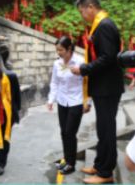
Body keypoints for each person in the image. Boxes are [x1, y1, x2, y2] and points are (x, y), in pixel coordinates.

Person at [71, 0, 124, 185]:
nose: (82, 16)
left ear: (91, 7)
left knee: (107, 130)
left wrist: (84, 69)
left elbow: (107, 58)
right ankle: (100, 164)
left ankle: (105, 172)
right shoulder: (101, 25)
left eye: (82, 11)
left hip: (108, 88)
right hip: (104, 87)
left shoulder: (104, 26)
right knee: (103, 129)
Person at [48, 36, 87, 176]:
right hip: (62, 101)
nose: (58, 52)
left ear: (69, 49)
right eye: (57, 50)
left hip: (76, 101)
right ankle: (66, 159)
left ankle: (71, 163)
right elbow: (54, 82)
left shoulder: (80, 61)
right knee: (64, 132)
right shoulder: (57, 64)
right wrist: (51, 99)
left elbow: (87, 83)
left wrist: (87, 102)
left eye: (61, 50)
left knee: (70, 133)